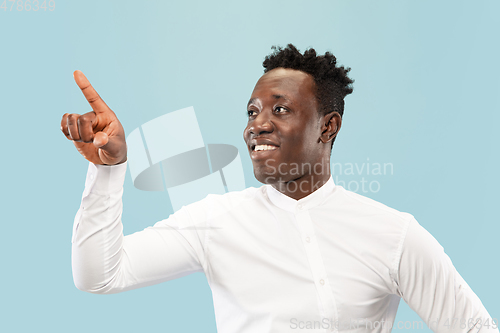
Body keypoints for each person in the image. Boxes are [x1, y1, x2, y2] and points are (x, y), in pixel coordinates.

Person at [61, 44, 497, 333]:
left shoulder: (393, 234)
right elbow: (98, 276)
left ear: (328, 127)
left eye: (280, 109)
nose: (257, 125)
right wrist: (109, 169)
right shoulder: (214, 222)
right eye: (252, 112)